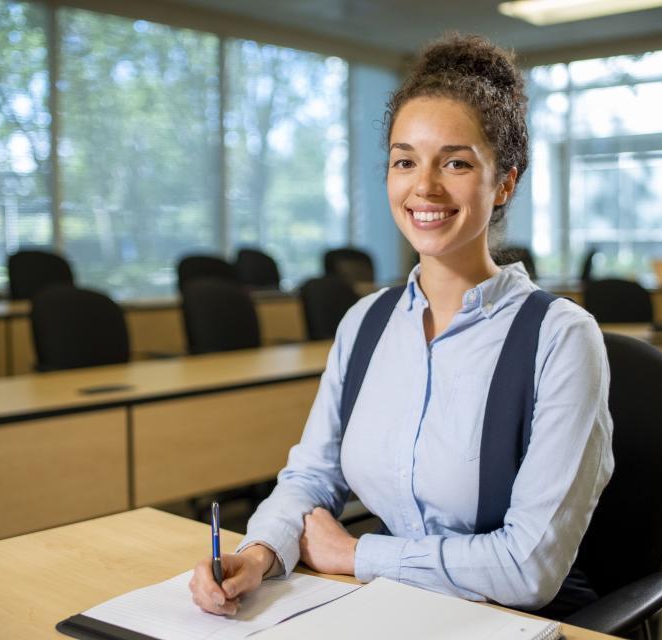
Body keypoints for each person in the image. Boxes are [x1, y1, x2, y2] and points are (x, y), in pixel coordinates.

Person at [189, 33, 613, 618]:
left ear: (505, 183)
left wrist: (359, 555)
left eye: (457, 163)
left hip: (516, 620)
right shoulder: (365, 324)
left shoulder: (562, 338)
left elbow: (529, 567)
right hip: (389, 607)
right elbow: (311, 475)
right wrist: (259, 551)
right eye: (405, 160)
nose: (425, 187)